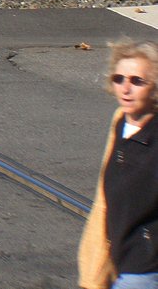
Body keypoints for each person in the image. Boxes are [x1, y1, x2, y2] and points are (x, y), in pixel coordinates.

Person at [80, 39, 158, 289]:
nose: (125, 88)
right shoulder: (120, 122)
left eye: (137, 81)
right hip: (118, 257)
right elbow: (103, 201)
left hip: (145, 265)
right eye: (119, 78)